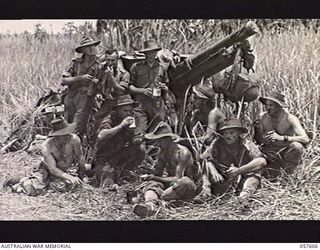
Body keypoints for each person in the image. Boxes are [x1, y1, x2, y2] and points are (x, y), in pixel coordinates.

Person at [133, 122, 200, 218]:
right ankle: (150, 205)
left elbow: (178, 178)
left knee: (184, 181)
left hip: (185, 187)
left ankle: (159, 202)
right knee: (152, 183)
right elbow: (158, 173)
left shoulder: (182, 153)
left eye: (160, 141)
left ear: (168, 140)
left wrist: (155, 176)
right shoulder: (162, 152)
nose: (157, 144)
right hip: (170, 187)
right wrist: (148, 173)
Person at [3, 117, 85, 195]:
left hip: (63, 171)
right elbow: (52, 169)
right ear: (56, 136)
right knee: (36, 190)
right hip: (46, 169)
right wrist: (69, 177)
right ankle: (22, 179)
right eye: (63, 135)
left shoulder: (74, 140)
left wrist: (82, 174)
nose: (66, 137)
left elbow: (80, 157)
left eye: (68, 133)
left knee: (72, 185)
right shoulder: (47, 146)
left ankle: (46, 183)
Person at [199, 118, 266, 200]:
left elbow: (262, 161)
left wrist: (239, 170)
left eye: (231, 133)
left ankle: (244, 195)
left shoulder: (246, 144)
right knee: (204, 168)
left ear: (239, 133)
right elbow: (204, 158)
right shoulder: (217, 143)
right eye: (225, 133)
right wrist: (213, 171)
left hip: (241, 177)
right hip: (222, 177)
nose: (227, 136)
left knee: (255, 173)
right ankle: (206, 193)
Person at [91, 94, 144, 187]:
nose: (128, 113)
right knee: (107, 181)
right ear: (118, 111)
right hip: (103, 157)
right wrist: (121, 126)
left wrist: (137, 138)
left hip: (117, 156)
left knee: (140, 149)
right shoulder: (110, 119)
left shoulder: (131, 120)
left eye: (130, 111)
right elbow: (101, 135)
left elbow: (134, 138)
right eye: (125, 111)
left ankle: (126, 170)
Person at [254, 91, 310, 179]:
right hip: (271, 151)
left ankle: (289, 175)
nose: (268, 108)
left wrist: (282, 138)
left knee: (297, 146)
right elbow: (259, 141)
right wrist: (258, 130)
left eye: (271, 105)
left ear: (279, 106)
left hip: (286, 150)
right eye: (266, 105)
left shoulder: (290, 118)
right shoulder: (263, 117)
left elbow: (305, 139)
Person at [129, 39, 170, 139]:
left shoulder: (162, 68)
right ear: (145, 53)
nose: (152, 54)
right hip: (140, 105)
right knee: (139, 135)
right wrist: (142, 91)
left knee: (158, 135)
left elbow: (166, 87)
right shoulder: (136, 67)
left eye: (154, 52)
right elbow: (130, 87)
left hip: (157, 106)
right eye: (149, 52)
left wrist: (165, 89)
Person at [61, 36, 100, 138]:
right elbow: (64, 81)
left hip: (85, 97)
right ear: (83, 50)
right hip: (71, 96)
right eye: (88, 47)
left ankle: (76, 149)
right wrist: (80, 78)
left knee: (78, 126)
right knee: (67, 125)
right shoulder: (75, 62)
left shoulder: (99, 64)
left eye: (93, 46)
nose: (92, 48)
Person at [93, 49, 131, 136]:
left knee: (124, 125)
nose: (110, 63)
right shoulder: (102, 71)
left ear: (117, 59)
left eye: (113, 60)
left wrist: (111, 78)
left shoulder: (124, 74)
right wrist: (99, 93)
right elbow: (98, 86)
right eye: (108, 60)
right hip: (107, 102)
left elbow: (121, 90)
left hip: (121, 103)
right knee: (98, 120)